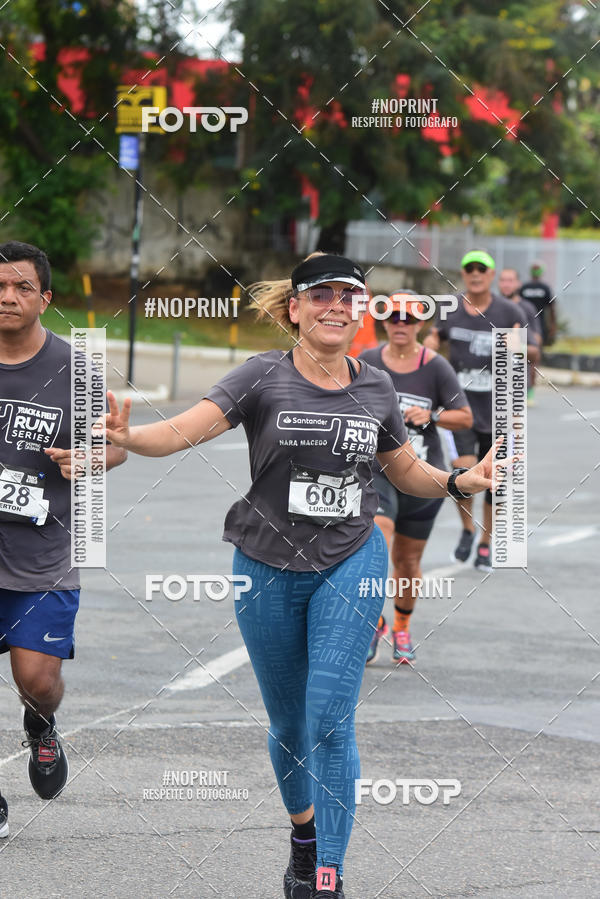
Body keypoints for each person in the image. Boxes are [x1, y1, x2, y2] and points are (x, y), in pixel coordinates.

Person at [102, 253, 503, 899]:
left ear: (361, 311)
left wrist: (459, 479)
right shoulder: (261, 376)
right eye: (322, 296)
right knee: (289, 727)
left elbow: (401, 470)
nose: (337, 306)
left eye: (350, 296)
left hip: (353, 555)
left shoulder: (374, 387)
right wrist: (132, 434)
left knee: (328, 719)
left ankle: (326, 875)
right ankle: (304, 835)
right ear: (295, 308)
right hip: (263, 564)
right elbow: (181, 432)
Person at [0, 241, 126, 837]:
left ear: (45, 298)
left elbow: (117, 446)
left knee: (37, 681)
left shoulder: (75, 369)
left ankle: (40, 725)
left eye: (22, 287)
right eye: (0, 286)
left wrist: (93, 458)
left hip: (42, 558)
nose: (8, 296)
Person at [359, 291, 472, 664]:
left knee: (407, 561)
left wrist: (432, 417)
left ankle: (402, 627)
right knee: (377, 544)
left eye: (408, 319)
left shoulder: (436, 366)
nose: (401, 325)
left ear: (420, 324)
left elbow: (465, 417)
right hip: (379, 471)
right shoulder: (368, 361)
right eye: (393, 318)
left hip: (423, 474)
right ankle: (375, 622)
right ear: (384, 323)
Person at [424, 249, 534, 572]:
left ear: (491, 275)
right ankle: (467, 530)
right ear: (463, 273)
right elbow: (433, 339)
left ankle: (486, 542)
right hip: (459, 408)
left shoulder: (508, 311)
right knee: (463, 472)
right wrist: (426, 351)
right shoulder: (451, 310)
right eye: (469, 268)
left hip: (498, 408)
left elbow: (518, 360)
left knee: (494, 481)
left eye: (481, 269)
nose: (475, 274)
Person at [498, 267, 542, 404]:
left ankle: (529, 392)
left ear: (518, 284)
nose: (506, 284)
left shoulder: (526, 308)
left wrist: (520, 346)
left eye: (510, 280)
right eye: (503, 280)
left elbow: (536, 337)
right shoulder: (493, 305)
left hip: (518, 361)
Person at [519, 260, 557, 348]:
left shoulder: (524, 287)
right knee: (537, 348)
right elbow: (552, 308)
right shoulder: (545, 288)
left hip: (526, 323)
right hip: (539, 324)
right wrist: (553, 325)